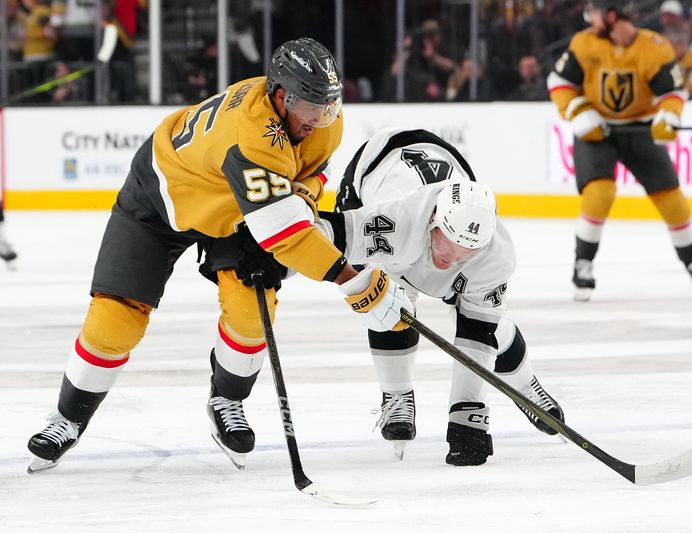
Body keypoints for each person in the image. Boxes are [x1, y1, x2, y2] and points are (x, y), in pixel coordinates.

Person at [26, 38, 413, 473]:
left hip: (237, 208)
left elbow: (306, 179)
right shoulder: (250, 134)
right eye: (312, 108)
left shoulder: (320, 122)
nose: (322, 119)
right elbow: (286, 233)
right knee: (113, 321)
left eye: (330, 106)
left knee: (252, 311)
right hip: (160, 197)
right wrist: (355, 282)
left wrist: (299, 204)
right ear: (281, 96)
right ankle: (68, 416)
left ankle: (226, 401)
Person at [326, 128, 565, 466]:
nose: (451, 261)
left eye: (467, 253)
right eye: (448, 247)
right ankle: (396, 396)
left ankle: (526, 386)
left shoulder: (494, 253)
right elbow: (328, 233)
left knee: (491, 322)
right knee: (388, 302)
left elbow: (478, 332)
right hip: (374, 169)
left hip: (447, 172)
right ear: (435, 220)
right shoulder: (396, 222)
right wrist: (272, 243)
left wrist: (467, 413)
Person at [547, 1, 692, 302]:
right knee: (599, 194)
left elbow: (671, 91)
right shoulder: (584, 42)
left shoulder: (653, 47)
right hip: (597, 128)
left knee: (671, 198)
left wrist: (668, 116)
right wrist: (577, 111)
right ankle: (583, 263)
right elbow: (559, 81)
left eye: (597, 12)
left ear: (613, 14)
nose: (591, 18)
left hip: (639, 127)